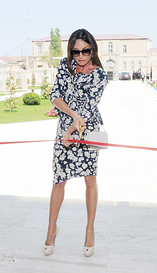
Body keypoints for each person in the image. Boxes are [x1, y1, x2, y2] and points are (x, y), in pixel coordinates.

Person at [44, 29, 108, 257]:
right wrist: (70, 120)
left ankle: (90, 229)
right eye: (76, 51)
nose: (80, 56)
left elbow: (89, 107)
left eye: (85, 51)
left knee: (90, 178)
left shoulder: (100, 75)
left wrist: (74, 127)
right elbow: (55, 95)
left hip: (90, 130)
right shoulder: (65, 66)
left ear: (93, 49)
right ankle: (51, 229)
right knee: (59, 179)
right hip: (65, 129)